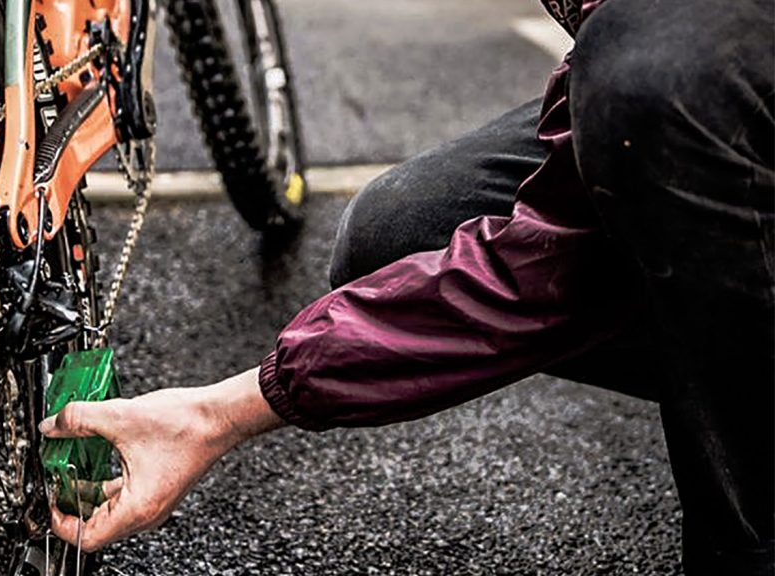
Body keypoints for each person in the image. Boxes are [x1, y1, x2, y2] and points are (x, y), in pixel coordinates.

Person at [38, 0, 775, 573]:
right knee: (401, 236)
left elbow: (544, 252)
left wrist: (216, 415)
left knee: (652, 87)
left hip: (686, 76)